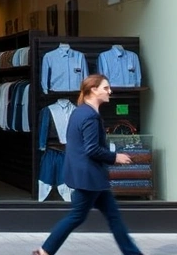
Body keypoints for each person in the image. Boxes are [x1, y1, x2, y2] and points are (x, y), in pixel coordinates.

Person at [32, 73, 143, 255]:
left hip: (89, 177)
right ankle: (44, 251)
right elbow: (92, 149)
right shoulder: (90, 116)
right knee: (77, 216)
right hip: (89, 178)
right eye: (106, 88)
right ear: (94, 90)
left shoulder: (79, 112)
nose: (110, 91)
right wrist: (115, 157)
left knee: (111, 216)